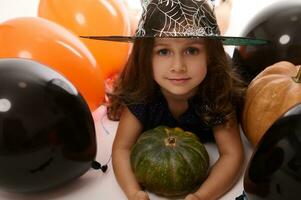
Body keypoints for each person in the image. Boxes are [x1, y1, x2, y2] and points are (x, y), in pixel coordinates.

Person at [82, 0, 268, 199]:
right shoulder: (143, 93)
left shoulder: (216, 91)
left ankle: (226, 4)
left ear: (210, 55)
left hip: (214, 65)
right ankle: (133, 13)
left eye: (192, 50)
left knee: (218, 20)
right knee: (145, 24)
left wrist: (200, 196)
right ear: (146, 57)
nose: (178, 66)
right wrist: (133, 192)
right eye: (163, 51)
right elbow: (122, 148)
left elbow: (232, 155)